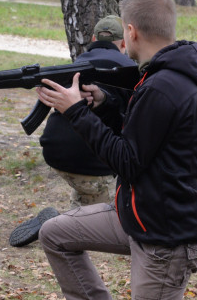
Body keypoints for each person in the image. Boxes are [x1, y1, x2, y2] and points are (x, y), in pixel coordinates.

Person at [34, 0, 197, 300]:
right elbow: (143, 140)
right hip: (139, 217)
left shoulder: (163, 87)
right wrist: (107, 102)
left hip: (165, 240)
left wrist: (76, 112)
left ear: (130, 32)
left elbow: (127, 161)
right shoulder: (159, 79)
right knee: (55, 233)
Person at [8, 15, 135, 247]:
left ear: (93, 38)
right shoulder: (127, 69)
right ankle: (56, 223)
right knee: (120, 222)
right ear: (124, 43)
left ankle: (68, 216)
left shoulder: (77, 65)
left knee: (89, 196)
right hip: (92, 164)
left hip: (56, 154)